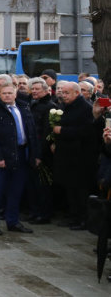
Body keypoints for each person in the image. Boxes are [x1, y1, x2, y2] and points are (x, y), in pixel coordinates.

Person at [0, 84, 39, 235]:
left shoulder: (24, 108)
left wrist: (35, 154)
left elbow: (32, 132)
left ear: (15, 94)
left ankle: (13, 221)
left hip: (22, 152)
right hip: (3, 154)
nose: (7, 96)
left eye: (10, 93)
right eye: (4, 93)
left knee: (16, 189)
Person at [52, 81, 98, 230]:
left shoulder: (85, 108)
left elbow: (86, 131)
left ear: (76, 93)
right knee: (70, 188)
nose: (63, 95)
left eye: (66, 93)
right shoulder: (64, 106)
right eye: (62, 93)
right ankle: (73, 216)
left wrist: (63, 131)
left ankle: (83, 219)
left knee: (80, 190)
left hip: (80, 157)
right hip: (67, 155)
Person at [27, 77, 56, 224]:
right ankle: (34, 210)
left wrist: (39, 154)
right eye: (32, 89)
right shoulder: (32, 104)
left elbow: (46, 132)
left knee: (43, 184)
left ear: (46, 90)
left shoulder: (50, 106)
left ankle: (44, 213)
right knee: (32, 183)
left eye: (37, 89)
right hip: (31, 148)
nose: (34, 91)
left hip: (42, 151)